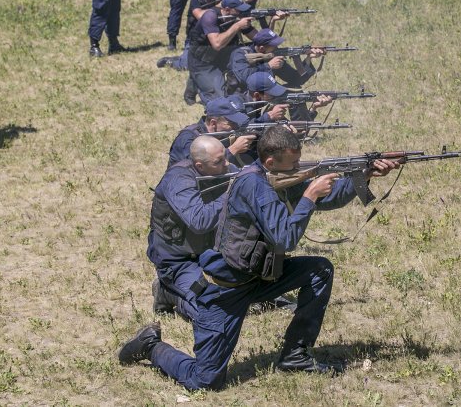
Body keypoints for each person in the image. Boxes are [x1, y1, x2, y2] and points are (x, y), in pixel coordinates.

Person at [118, 127, 400, 390]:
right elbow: (284, 238)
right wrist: (310, 197)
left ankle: (295, 355)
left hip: (259, 276)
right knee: (205, 380)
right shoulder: (253, 186)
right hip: (227, 290)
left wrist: (363, 175)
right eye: (293, 164)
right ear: (269, 162)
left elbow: (331, 198)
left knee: (319, 269)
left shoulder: (273, 177)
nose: (299, 169)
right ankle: (150, 345)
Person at [149, 136, 237, 321]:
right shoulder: (178, 180)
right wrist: (232, 194)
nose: (227, 163)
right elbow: (200, 221)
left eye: (225, 157)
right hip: (179, 260)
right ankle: (167, 292)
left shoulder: (219, 169)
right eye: (219, 161)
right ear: (199, 165)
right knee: (207, 313)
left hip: (211, 252)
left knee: (243, 296)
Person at [187, 0, 256, 105]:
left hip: (221, 56)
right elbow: (217, 44)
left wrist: (271, 21)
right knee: (219, 100)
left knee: (249, 53)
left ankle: (199, 80)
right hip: (202, 63)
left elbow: (259, 39)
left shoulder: (235, 18)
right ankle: (196, 83)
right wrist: (237, 26)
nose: (240, 13)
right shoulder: (210, 16)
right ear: (227, 10)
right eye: (238, 10)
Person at [227, 28, 324, 96]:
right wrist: (268, 66)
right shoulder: (240, 54)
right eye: (274, 46)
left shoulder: (271, 56)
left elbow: (296, 80)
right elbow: (243, 77)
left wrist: (308, 58)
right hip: (240, 97)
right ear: (261, 48)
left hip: (265, 95)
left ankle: (301, 125)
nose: (276, 48)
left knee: (295, 93)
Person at [167, 97, 254, 169]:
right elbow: (194, 169)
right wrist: (233, 149)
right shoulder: (188, 138)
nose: (235, 127)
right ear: (213, 123)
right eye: (231, 123)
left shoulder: (221, 135)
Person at [245, 72, 333, 123]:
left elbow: (298, 133)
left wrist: (314, 107)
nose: (276, 95)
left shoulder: (268, 107)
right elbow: (243, 128)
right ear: (257, 95)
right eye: (271, 93)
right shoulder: (238, 105)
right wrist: (269, 116)